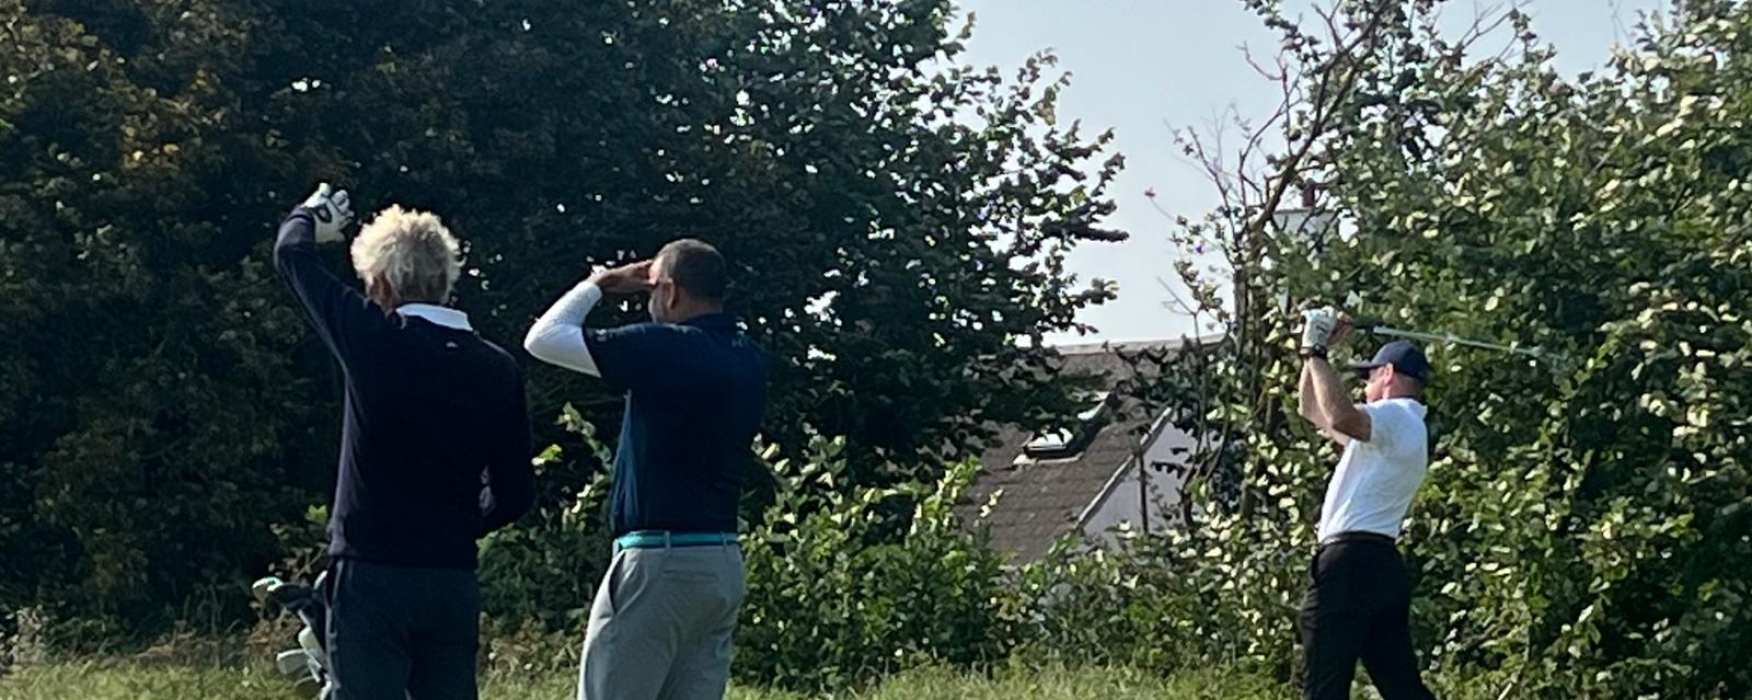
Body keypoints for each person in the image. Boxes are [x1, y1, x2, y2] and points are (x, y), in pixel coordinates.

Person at [274, 183, 536, 700]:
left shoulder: (376, 339)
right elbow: (516, 494)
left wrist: (309, 214)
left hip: (371, 571)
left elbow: (291, 253)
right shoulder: (498, 368)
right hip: (450, 576)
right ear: (445, 280)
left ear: (383, 285)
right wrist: (461, 523)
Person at [523, 239, 767, 700]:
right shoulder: (749, 357)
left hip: (659, 560)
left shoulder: (665, 347)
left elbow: (544, 338)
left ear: (671, 293)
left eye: (652, 291)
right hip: (721, 562)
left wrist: (600, 284)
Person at [1294, 308, 1439, 700]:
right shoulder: (1404, 428)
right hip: (1380, 566)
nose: (1365, 387)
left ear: (1387, 375)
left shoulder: (1393, 416)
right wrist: (1314, 354)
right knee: (1403, 689)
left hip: (1349, 564)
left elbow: (1341, 417)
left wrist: (1316, 352)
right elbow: (1313, 410)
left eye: (1369, 377)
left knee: (1324, 688)